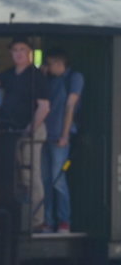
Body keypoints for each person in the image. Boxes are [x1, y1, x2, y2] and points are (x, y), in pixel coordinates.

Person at [0, 36, 50, 232]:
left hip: (32, 130)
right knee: (18, 177)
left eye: (22, 49)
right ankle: (21, 217)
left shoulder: (36, 76)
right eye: (15, 49)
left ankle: (36, 221)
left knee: (31, 176)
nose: (18, 53)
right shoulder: (10, 74)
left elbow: (44, 107)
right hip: (14, 132)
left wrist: (31, 129)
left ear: (29, 53)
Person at [41, 49, 83, 233]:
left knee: (58, 179)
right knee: (45, 180)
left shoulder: (74, 78)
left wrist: (65, 135)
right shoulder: (48, 80)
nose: (47, 68)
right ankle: (48, 221)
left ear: (59, 64)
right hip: (45, 135)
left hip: (60, 136)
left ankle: (64, 220)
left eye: (50, 64)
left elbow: (70, 106)